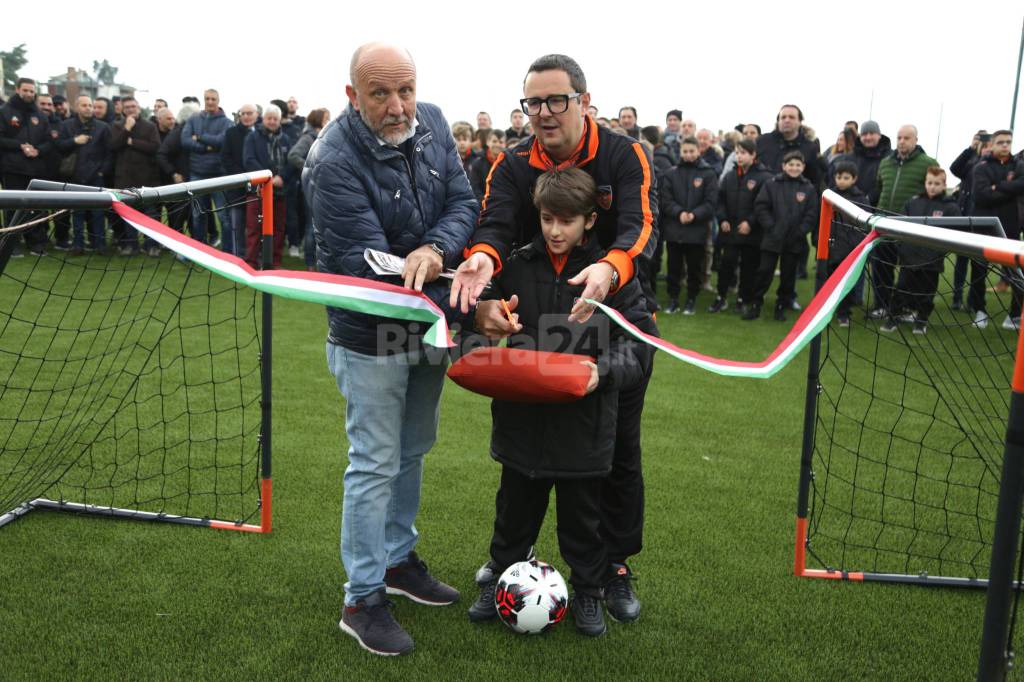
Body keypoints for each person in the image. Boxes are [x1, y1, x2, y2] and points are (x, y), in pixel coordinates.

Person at [451, 53, 658, 625]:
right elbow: (494, 224)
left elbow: (642, 228)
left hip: (614, 315)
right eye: (533, 102)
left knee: (613, 454)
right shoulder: (511, 163)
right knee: (522, 463)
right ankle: (506, 562)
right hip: (535, 316)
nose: (543, 113)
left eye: (555, 100)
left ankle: (608, 570)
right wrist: (483, 268)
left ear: (584, 102)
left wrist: (610, 270)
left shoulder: (624, 153)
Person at [303, 42, 477, 657]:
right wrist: (450, 287)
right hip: (369, 331)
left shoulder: (431, 119)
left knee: (413, 448)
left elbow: (464, 202)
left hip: (426, 323)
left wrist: (434, 248)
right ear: (352, 96)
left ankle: (399, 562)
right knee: (375, 459)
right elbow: (368, 266)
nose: (399, 106)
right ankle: (362, 597)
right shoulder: (331, 160)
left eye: (405, 89)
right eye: (381, 94)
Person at [881, 166, 961, 335]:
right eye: (929, 182)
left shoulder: (950, 207)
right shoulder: (913, 202)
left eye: (937, 183)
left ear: (944, 184)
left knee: (926, 294)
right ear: (925, 182)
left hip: (931, 262)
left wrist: (938, 253)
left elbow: (954, 234)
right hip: (909, 259)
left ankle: (921, 320)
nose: (932, 186)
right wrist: (902, 248)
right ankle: (893, 318)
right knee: (901, 289)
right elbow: (900, 226)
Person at [869, 125, 937, 321]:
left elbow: (932, 190)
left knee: (911, 271)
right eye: (899, 137)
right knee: (881, 268)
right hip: (884, 224)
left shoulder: (928, 163)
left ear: (916, 139)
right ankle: (881, 306)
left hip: (910, 227)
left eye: (907, 138)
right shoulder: (885, 163)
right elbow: (880, 188)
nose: (902, 141)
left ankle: (907, 308)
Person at [744, 150, 819, 321]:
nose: (794, 168)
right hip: (772, 237)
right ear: (784, 166)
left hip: (794, 240)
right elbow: (761, 206)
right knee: (764, 271)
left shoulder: (808, 188)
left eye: (798, 165)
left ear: (803, 167)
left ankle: (781, 305)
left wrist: (800, 231)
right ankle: (756, 304)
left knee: (788, 275)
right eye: (790, 164)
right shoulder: (772, 184)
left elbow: (812, 214)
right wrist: (770, 226)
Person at [660, 136, 718, 314]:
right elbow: (665, 199)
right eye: (685, 151)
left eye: (692, 151)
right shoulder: (671, 173)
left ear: (698, 151)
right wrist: (679, 213)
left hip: (697, 230)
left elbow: (711, 202)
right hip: (675, 230)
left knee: (694, 268)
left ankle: (691, 299)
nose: (688, 154)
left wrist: (694, 214)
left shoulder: (708, 173)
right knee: (674, 268)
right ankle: (673, 299)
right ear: (681, 152)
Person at [972, 130, 1024, 329]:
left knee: (1015, 271)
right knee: (978, 270)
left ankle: (1014, 315)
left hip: (1010, 227)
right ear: (992, 144)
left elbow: (1022, 185)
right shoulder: (981, 167)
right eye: (1001, 142)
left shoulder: (1018, 165)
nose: (1005, 145)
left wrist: (997, 186)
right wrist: (1009, 189)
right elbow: (982, 195)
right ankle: (980, 310)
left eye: (1008, 142)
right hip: (983, 226)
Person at [715, 137, 772, 314]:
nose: (739, 156)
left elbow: (763, 204)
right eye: (737, 153)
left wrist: (750, 222)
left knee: (749, 266)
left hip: (752, 232)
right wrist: (722, 219)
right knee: (727, 263)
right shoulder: (730, 176)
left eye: (743, 153)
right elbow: (720, 200)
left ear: (753, 155)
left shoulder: (764, 177)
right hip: (730, 230)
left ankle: (743, 299)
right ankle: (721, 297)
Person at [0, 78, 52, 251]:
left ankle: (35, 243)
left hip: (35, 168)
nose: (29, 94)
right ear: (17, 89)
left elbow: (48, 141)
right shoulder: (4, 112)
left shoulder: (40, 115)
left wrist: (39, 150)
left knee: (35, 207)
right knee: (12, 207)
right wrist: (19, 146)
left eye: (32, 91)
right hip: (13, 168)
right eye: (26, 90)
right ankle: (11, 244)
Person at [56, 96, 112, 254]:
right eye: (84, 105)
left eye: (90, 105)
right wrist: (74, 141)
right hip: (74, 175)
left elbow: (109, 153)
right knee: (77, 212)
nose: (88, 108)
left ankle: (100, 244)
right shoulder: (66, 125)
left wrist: (103, 171)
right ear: (76, 107)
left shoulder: (103, 127)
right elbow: (59, 146)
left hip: (96, 176)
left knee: (98, 213)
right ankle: (78, 245)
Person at [109, 96, 162, 255]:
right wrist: (127, 130)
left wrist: (133, 143)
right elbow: (114, 146)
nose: (131, 109)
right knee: (128, 214)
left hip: (147, 178)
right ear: (123, 110)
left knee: (150, 214)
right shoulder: (117, 126)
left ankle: (151, 245)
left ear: (138, 107)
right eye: (127, 107)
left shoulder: (150, 126)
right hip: (125, 178)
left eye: (133, 106)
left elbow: (154, 146)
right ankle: (131, 245)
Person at [242, 105, 292, 268]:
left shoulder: (286, 139)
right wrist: (269, 177)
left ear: (279, 121)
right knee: (254, 228)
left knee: (278, 229)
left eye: (275, 119)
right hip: (257, 191)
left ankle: (274, 263)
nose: (272, 121)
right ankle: (251, 262)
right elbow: (249, 160)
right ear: (263, 119)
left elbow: (291, 162)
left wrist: (282, 177)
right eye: (269, 118)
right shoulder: (253, 137)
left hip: (279, 192)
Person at [181, 89, 232, 247]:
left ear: (218, 100)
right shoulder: (193, 119)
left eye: (213, 99)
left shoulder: (227, 122)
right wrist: (206, 148)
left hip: (219, 175)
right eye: (207, 99)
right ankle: (200, 248)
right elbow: (185, 140)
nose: (210, 102)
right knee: (198, 215)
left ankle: (229, 250)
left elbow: (222, 141)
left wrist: (201, 137)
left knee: (224, 216)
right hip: (198, 174)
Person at [825, 161, 869, 326]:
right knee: (829, 283)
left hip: (851, 249)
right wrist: (819, 240)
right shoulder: (828, 196)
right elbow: (820, 220)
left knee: (847, 284)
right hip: (831, 247)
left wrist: (856, 245)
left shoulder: (861, 198)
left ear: (854, 178)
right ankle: (828, 312)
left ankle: (844, 313)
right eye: (838, 177)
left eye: (846, 177)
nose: (841, 180)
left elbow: (864, 225)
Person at [288, 107, 331, 270]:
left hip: (324, 188)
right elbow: (293, 156)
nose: (329, 121)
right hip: (312, 188)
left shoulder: (326, 136)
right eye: (326, 118)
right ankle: (310, 263)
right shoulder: (308, 138)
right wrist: (311, 168)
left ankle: (320, 262)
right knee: (311, 227)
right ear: (318, 119)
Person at [222, 104, 259, 258]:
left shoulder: (262, 133)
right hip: (236, 187)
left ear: (256, 115)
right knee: (237, 225)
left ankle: (255, 256)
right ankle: (238, 257)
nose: (245, 116)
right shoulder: (231, 133)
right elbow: (225, 158)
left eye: (249, 113)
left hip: (258, 186)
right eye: (242, 113)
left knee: (257, 226)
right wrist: (244, 177)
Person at [756, 104, 821, 187]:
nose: (787, 120)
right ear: (778, 121)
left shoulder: (810, 148)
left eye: (791, 117)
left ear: (800, 122)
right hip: (764, 195)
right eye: (783, 117)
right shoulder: (762, 142)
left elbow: (815, 180)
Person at [468, 128, 505, 201]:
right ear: (488, 142)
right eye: (494, 141)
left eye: (501, 142)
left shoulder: (509, 163)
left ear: (505, 144)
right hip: (483, 204)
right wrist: (484, 203)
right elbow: (475, 187)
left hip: (503, 204)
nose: (497, 144)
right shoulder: (478, 163)